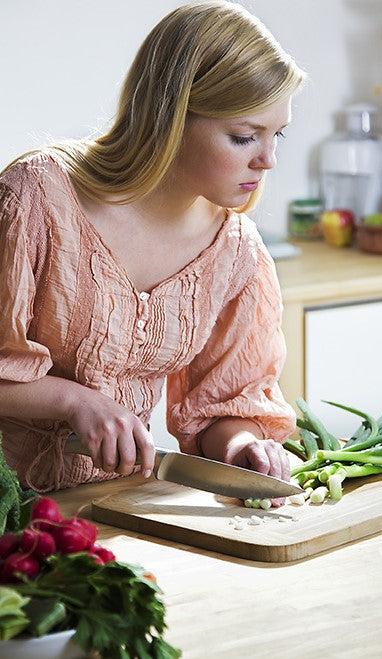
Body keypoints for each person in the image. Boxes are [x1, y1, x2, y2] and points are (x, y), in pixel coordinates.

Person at [0, 1, 306, 505]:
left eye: (278, 135)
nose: (268, 159)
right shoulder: (37, 199)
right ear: (172, 118)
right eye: (244, 136)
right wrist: (73, 400)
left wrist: (243, 444)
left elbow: (217, 408)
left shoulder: (236, 254)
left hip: (110, 506)